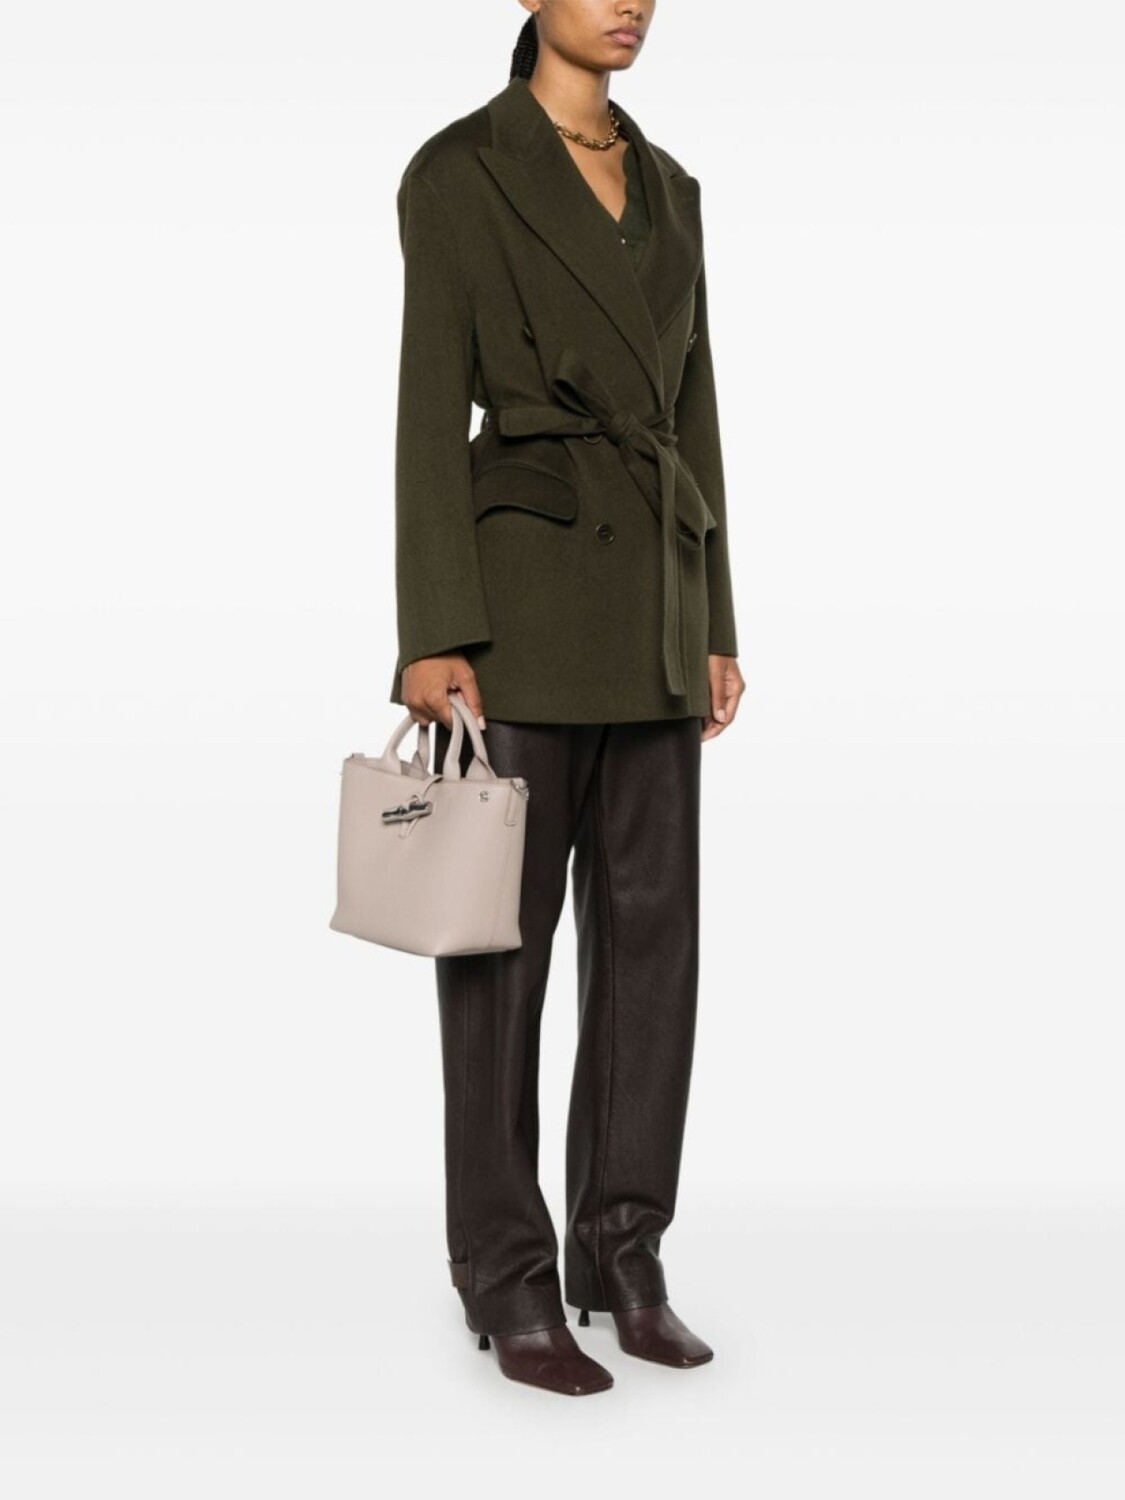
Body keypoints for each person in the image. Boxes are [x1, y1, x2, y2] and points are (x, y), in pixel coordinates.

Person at [388, 0, 745, 1396]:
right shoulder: (459, 170)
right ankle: (506, 1270)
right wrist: (435, 631)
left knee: (654, 950)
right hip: (521, 609)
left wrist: (715, 621)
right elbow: (428, 407)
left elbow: (694, 414)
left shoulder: (675, 189)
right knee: (501, 952)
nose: (630, 3)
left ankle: (623, 1250)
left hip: (654, 603)